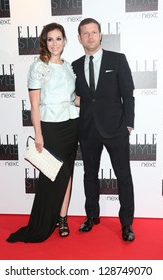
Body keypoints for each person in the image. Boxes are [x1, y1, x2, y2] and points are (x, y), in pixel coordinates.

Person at [6, 23, 79, 243]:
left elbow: (73, 98)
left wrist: (99, 100)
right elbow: (35, 105)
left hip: (71, 125)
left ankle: (62, 218)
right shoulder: (38, 66)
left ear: (65, 41)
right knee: (53, 174)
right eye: (50, 39)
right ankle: (44, 220)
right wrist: (38, 133)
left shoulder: (68, 67)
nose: (55, 43)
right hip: (50, 126)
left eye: (59, 38)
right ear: (44, 42)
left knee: (67, 173)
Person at [72, 18, 135, 242]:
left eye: (94, 32)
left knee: (123, 176)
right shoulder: (75, 66)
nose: (90, 36)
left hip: (116, 129)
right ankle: (92, 216)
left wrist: (128, 125)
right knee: (90, 175)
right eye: (85, 33)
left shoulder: (117, 60)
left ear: (101, 35)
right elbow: (77, 97)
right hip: (87, 130)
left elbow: (128, 94)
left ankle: (126, 223)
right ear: (79, 38)